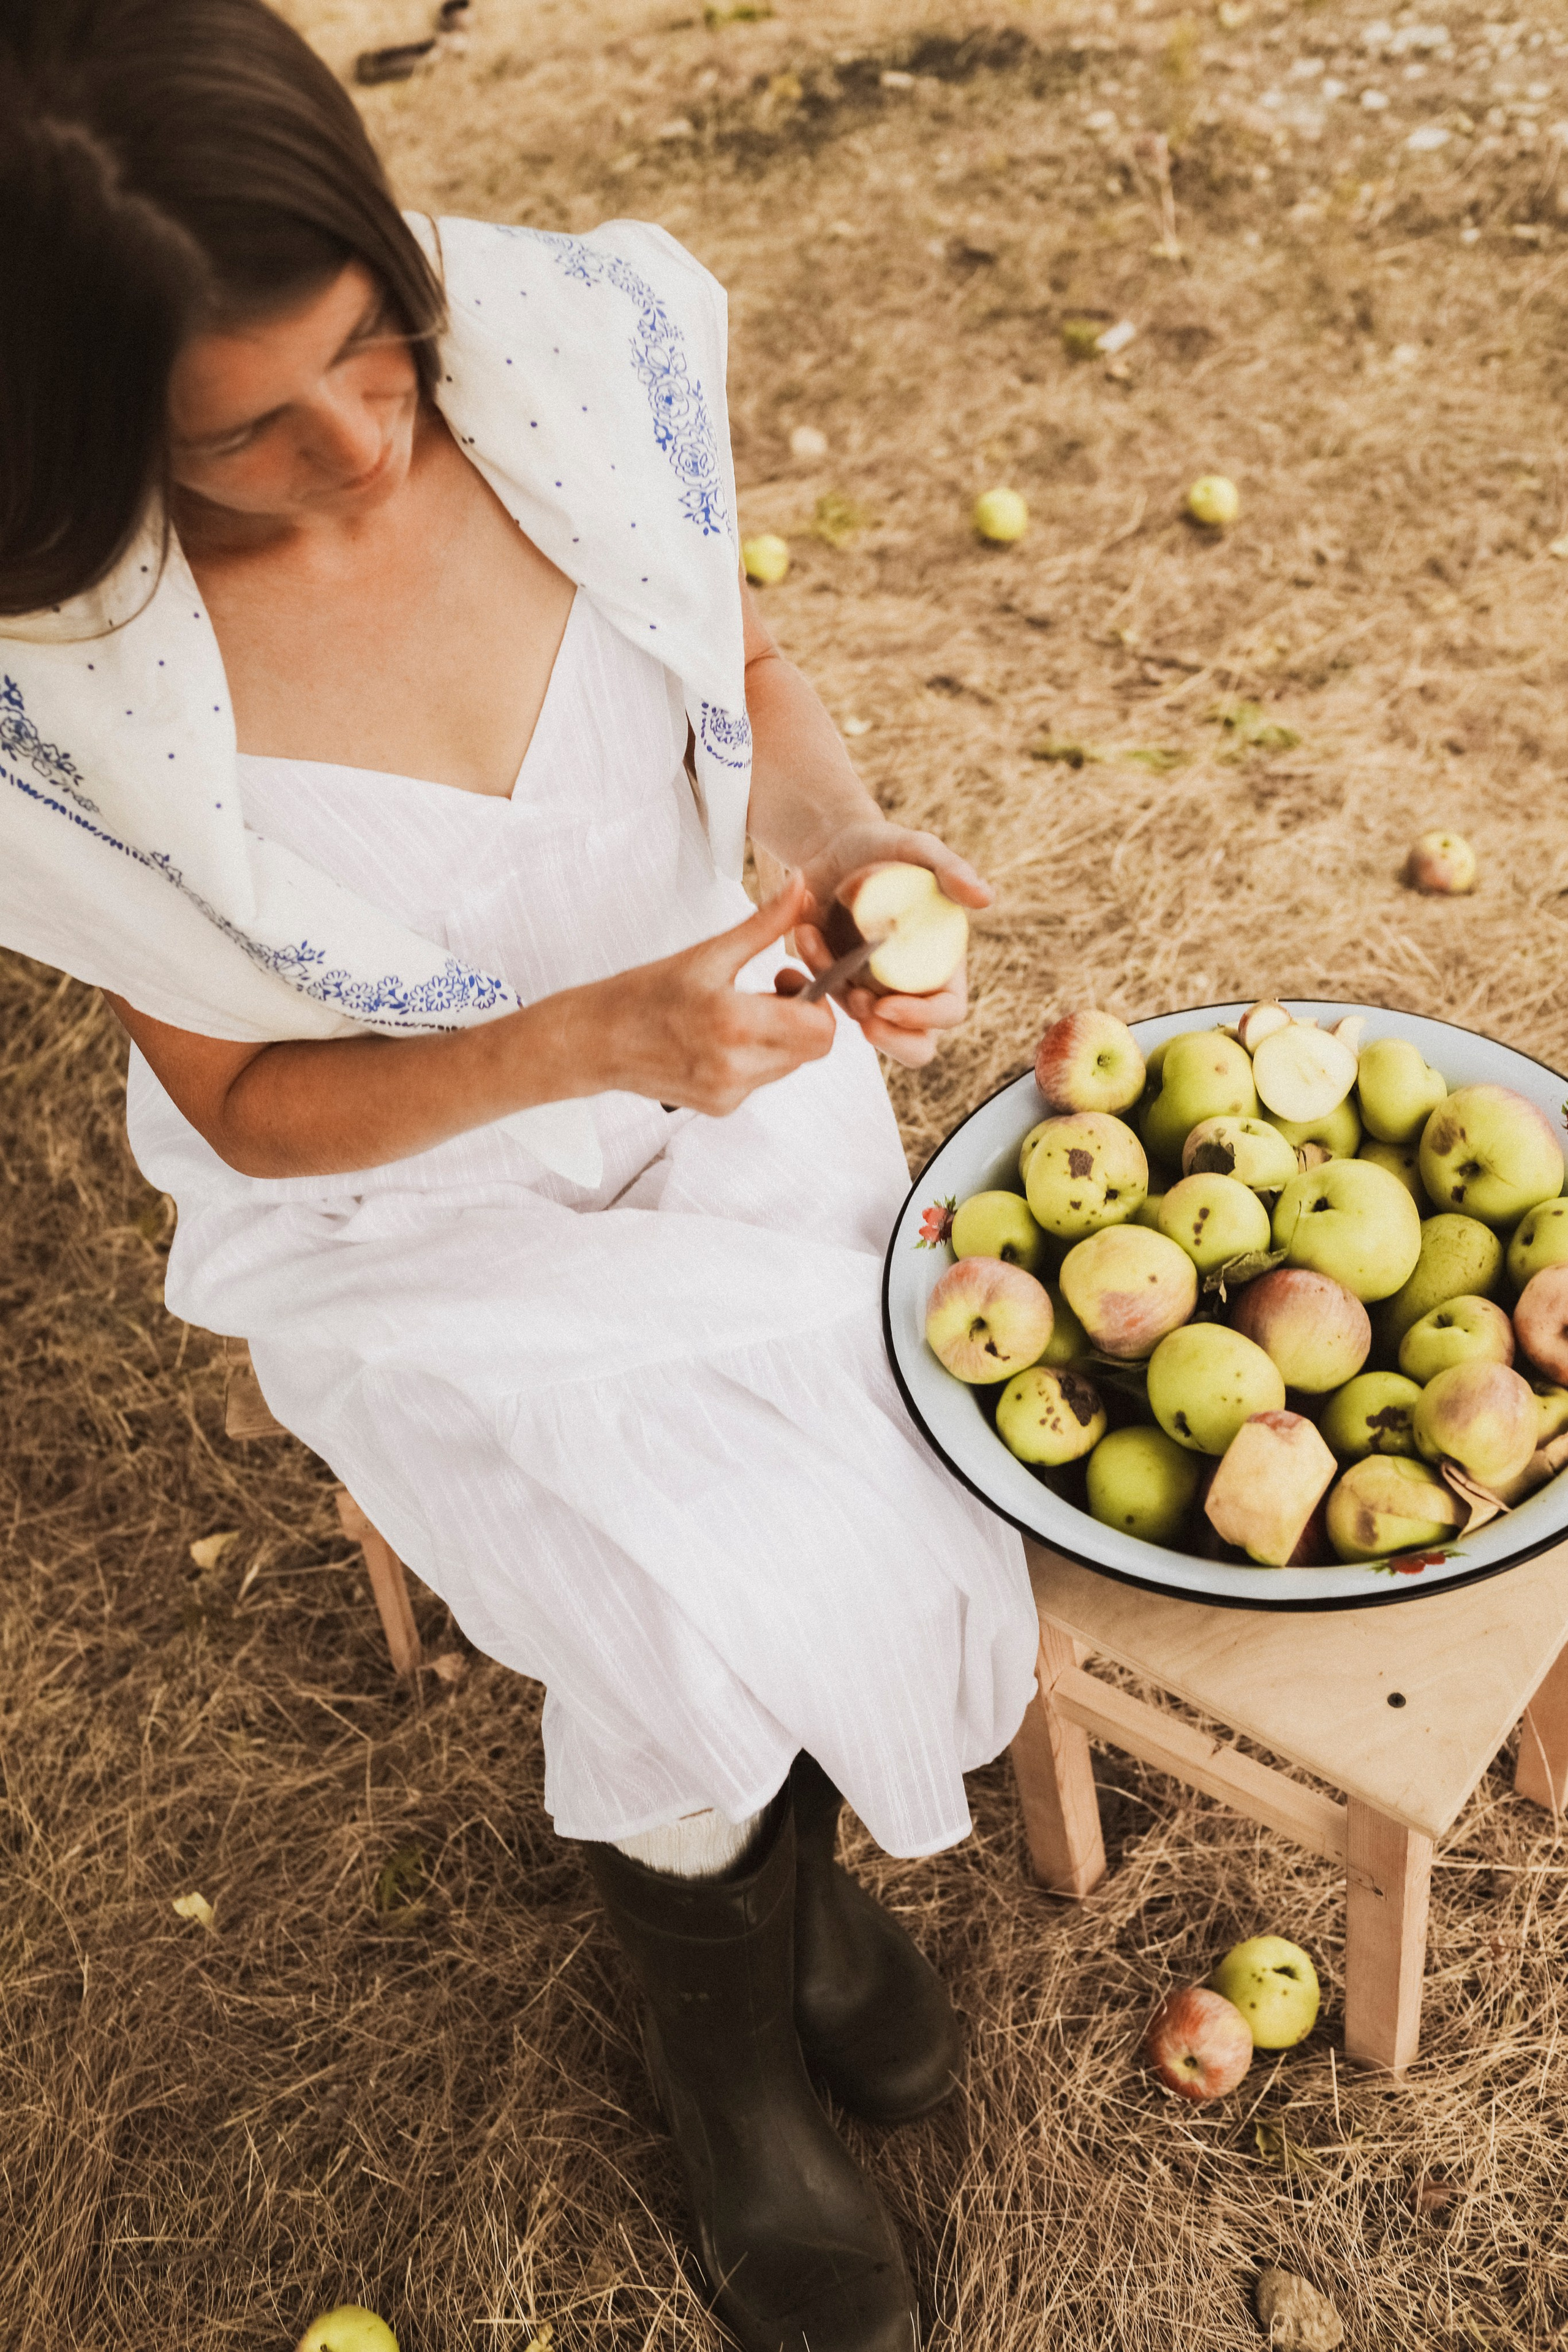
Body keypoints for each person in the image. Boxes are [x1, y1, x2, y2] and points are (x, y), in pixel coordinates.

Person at [0, 6, 1038, 2345]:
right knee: (673, 1595)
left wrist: (842, 835)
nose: (364, 449)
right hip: (409, 1209)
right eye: (244, 432)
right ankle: (725, 2051)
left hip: (737, 1090)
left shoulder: (577, 350)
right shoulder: (54, 704)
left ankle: (776, 1868)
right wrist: (588, 1043)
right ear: (75, 430)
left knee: (918, 1451)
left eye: (374, 351)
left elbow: (737, 664)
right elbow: (256, 1108)